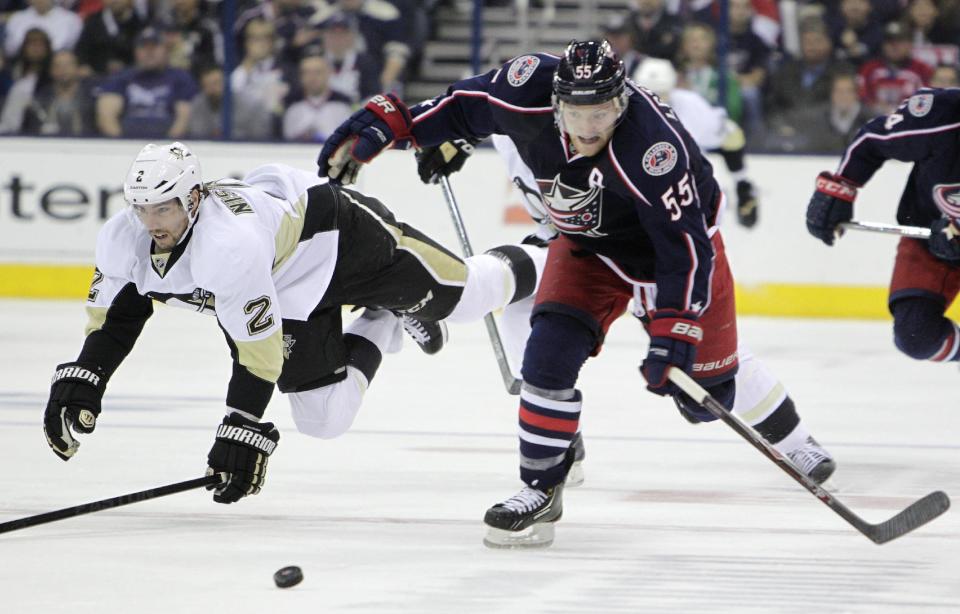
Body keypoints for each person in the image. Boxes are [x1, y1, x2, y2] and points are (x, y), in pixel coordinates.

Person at [317, 40, 837, 548]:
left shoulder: (653, 149)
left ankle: (795, 441)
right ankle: (539, 489)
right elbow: (463, 107)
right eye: (576, 112)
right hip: (587, 247)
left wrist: (675, 328)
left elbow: (685, 251)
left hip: (670, 255)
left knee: (702, 398)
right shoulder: (526, 89)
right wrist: (396, 123)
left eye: (603, 112)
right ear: (556, 100)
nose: (589, 127)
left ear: (623, 101)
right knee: (547, 357)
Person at [43, 141, 545, 505]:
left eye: (166, 207)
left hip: (340, 238)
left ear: (193, 199)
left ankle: (551, 256)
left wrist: (241, 426)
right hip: (284, 286)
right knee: (324, 419)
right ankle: (382, 316)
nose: (153, 222)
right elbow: (116, 316)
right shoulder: (122, 236)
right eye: (142, 208)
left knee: (469, 299)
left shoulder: (228, 247)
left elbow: (256, 353)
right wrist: (87, 376)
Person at [806, 87, 960, 365]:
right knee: (916, 334)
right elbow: (872, 140)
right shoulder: (940, 117)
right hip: (930, 238)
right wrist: (841, 187)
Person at [633, 57, 760, 227]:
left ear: (672, 87)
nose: (655, 100)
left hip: (686, 190)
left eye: (661, 93)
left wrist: (742, 183)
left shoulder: (690, 104)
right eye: (649, 93)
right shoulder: (621, 111)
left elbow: (731, 134)